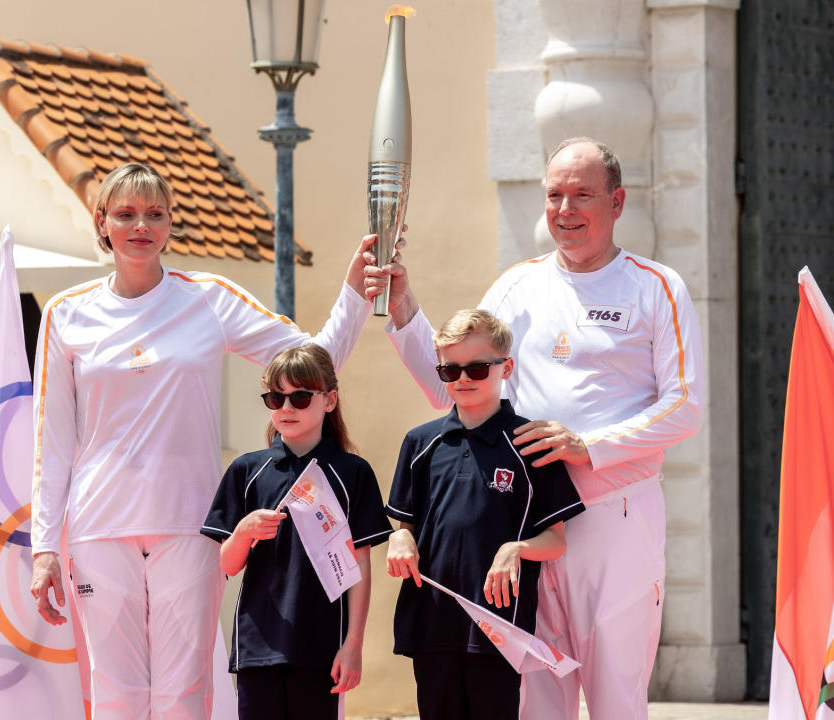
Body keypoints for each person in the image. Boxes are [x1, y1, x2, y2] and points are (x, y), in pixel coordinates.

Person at [365, 138, 704, 720]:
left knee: (615, 696)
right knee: (531, 699)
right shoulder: (517, 286)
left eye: (582, 195)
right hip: (521, 525)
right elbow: (460, 378)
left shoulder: (656, 287)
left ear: (617, 202)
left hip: (611, 517)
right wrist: (404, 308)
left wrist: (588, 446)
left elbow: (686, 405)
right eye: (554, 195)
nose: (565, 210)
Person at [29, 163, 376, 719]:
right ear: (103, 222)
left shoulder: (209, 300)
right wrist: (45, 547)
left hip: (190, 524)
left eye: (155, 214)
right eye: (126, 214)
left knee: (184, 691)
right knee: (114, 692)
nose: (140, 225)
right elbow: (53, 438)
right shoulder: (66, 314)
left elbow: (314, 363)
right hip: (98, 527)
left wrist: (354, 293)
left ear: (170, 223)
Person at [384, 309, 584, 720]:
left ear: (505, 367)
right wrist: (399, 536)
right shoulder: (420, 443)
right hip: (431, 621)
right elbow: (405, 524)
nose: (462, 380)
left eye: (476, 368)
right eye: (449, 370)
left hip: (498, 627)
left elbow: (556, 541)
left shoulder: (530, 444)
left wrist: (515, 547)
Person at [201, 344, 392, 719]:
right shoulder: (247, 469)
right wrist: (242, 532)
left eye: (300, 398)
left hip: (323, 647)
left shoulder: (353, 473)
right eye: (276, 398)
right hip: (258, 645)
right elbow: (226, 564)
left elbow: (359, 568)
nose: (286, 409)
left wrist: (352, 645)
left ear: (329, 400)